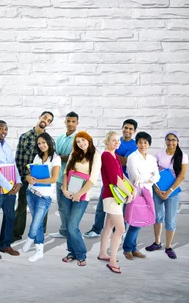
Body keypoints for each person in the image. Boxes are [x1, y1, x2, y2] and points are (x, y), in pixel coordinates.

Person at [84, 119, 138, 238]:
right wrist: (111, 151)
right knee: (101, 207)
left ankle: (119, 231)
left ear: (134, 131)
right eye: (126, 127)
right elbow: (113, 158)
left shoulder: (133, 145)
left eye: (130, 129)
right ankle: (96, 229)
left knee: (120, 207)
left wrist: (111, 149)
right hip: (109, 180)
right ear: (122, 128)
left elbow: (124, 162)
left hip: (122, 182)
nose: (127, 131)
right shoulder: (117, 141)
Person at [97, 131, 136, 274]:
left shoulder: (115, 157)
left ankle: (103, 253)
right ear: (107, 141)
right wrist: (128, 193)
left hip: (116, 196)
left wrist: (132, 188)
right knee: (120, 229)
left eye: (118, 141)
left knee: (109, 224)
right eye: (113, 140)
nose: (116, 143)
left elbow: (122, 176)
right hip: (111, 196)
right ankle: (112, 260)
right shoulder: (106, 155)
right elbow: (115, 179)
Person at [60, 131, 101, 266]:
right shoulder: (74, 153)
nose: (81, 143)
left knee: (73, 226)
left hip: (82, 195)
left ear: (89, 140)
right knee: (67, 224)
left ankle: (81, 253)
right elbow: (66, 173)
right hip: (68, 192)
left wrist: (78, 194)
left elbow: (92, 179)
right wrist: (64, 189)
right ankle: (71, 252)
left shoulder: (95, 156)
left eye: (83, 140)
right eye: (78, 142)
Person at [147, 131, 188, 259]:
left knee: (170, 220)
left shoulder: (183, 156)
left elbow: (181, 176)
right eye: (168, 139)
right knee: (157, 217)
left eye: (174, 140)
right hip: (158, 190)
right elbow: (152, 174)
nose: (171, 142)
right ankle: (157, 242)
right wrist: (157, 190)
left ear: (178, 141)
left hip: (173, 192)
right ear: (165, 141)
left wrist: (169, 191)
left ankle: (168, 246)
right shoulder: (159, 155)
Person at [13, 111, 54, 242]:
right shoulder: (25, 137)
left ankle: (39, 233)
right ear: (40, 117)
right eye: (44, 117)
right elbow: (18, 159)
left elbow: (52, 160)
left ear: (49, 124)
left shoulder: (49, 140)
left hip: (42, 179)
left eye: (49, 120)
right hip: (26, 178)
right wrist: (20, 179)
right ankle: (17, 232)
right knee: (21, 206)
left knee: (42, 207)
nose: (45, 121)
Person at [0, 120, 22, 258]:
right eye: (0, 129)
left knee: (10, 216)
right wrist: (9, 186)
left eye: (6, 129)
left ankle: (5, 245)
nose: (3, 132)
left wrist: (18, 183)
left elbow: (13, 166)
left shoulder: (7, 146)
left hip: (11, 189)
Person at [23, 132, 60, 262]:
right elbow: (30, 174)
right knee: (37, 223)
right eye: (39, 143)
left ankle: (30, 238)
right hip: (31, 193)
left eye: (44, 142)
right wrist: (29, 178)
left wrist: (38, 180)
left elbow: (54, 178)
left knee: (36, 222)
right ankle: (39, 251)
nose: (41, 145)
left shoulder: (55, 158)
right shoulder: (37, 157)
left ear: (49, 142)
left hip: (44, 197)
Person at [123, 132, 160, 260]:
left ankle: (132, 248)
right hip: (136, 192)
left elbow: (157, 176)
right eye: (140, 142)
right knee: (134, 220)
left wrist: (150, 178)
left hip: (148, 193)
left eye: (145, 142)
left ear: (149, 144)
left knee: (140, 220)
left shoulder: (151, 158)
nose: (142, 145)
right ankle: (128, 248)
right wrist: (149, 176)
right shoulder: (132, 157)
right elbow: (135, 177)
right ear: (136, 143)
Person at [50, 111, 79, 239]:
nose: (70, 124)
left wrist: (61, 157)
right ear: (65, 122)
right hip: (61, 176)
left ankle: (72, 231)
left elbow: (76, 157)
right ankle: (64, 231)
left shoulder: (80, 138)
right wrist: (61, 157)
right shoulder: (60, 137)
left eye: (73, 121)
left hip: (75, 178)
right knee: (62, 206)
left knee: (73, 206)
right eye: (68, 121)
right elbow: (54, 154)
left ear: (77, 123)